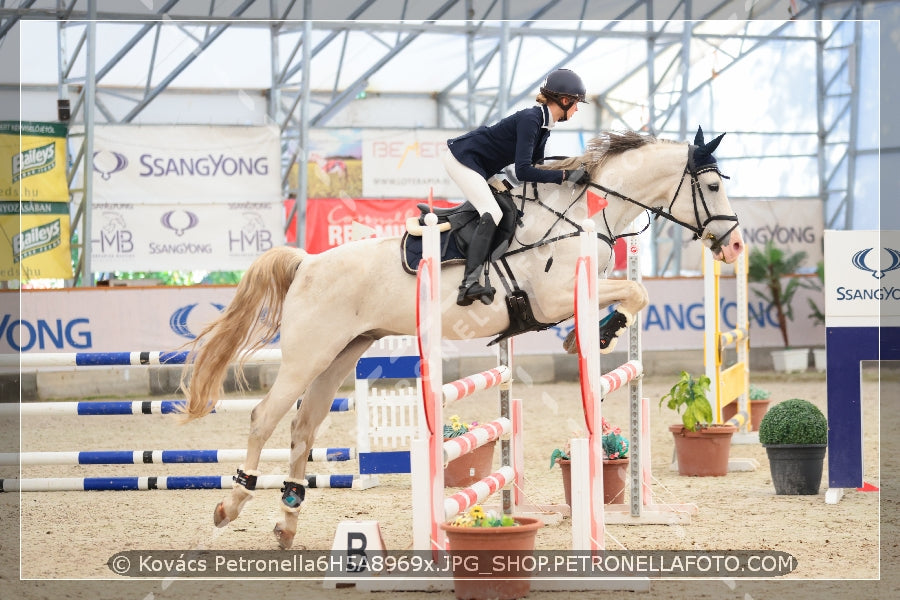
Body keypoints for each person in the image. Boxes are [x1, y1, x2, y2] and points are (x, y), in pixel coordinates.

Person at [443, 68, 591, 306]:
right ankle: (468, 283)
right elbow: (523, 171)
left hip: (483, 167)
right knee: (493, 212)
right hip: (463, 159)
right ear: (565, 101)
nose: (576, 110)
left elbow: (537, 169)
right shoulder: (531, 120)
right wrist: (566, 175)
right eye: (576, 104)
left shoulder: (544, 126)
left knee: (510, 209)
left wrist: (571, 173)